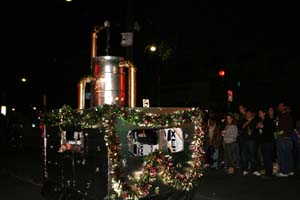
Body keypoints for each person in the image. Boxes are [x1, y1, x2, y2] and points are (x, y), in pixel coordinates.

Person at [275, 102, 294, 177]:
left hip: (283, 138)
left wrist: (277, 134)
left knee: (282, 155)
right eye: (279, 105)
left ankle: (283, 172)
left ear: (284, 107)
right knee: (288, 155)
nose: (279, 107)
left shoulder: (283, 116)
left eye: (281, 106)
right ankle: (290, 170)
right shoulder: (289, 116)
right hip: (289, 139)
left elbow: (283, 130)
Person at [257, 108, 275, 178]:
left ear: (264, 113)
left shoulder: (268, 120)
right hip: (263, 142)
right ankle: (267, 172)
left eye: (260, 112)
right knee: (265, 158)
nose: (259, 114)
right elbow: (261, 132)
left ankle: (269, 174)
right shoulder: (261, 120)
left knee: (268, 158)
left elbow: (271, 130)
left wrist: (263, 127)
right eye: (258, 113)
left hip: (268, 142)